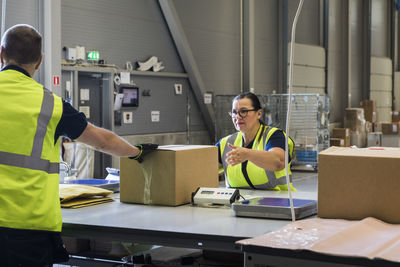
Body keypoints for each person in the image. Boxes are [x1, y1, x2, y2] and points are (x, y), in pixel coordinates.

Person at [0, 24, 157, 266]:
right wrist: (136, 154)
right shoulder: (51, 105)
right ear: (40, 61)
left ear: (1, 53)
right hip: (28, 229)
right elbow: (103, 141)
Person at [216, 92, 295, 190]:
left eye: (243, 111)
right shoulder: (226, 143)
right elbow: (203, 166)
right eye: (234, 112)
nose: (237, 117)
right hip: (239, 203)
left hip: (278, 202)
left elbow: (278, 162)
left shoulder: (274, 136)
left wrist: (247, 154)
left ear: (259, 113)